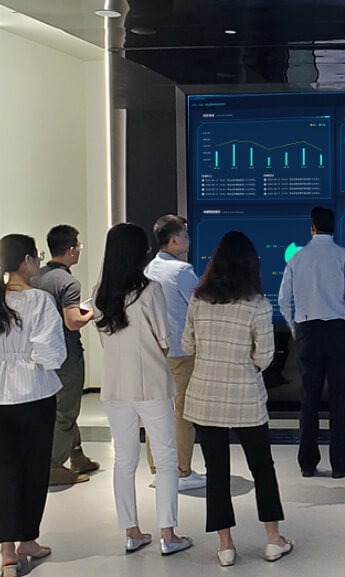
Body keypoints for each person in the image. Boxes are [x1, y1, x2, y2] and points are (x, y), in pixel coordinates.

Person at [183, 231, 292, 567]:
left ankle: (226, 545)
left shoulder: (199, 301)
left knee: (216, 472)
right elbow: (265, 357)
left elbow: (187, 345)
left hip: (205, 398)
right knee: (262, 468)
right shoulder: (258, 305)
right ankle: (273, 539)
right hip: (245, 398)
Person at [93, 223, 192, 556]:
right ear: (139, 252)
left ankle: (131, 532)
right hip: (151, 384)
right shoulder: (150, 290)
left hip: (114, 385)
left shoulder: (99, 292)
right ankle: (168, 534)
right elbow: (165, 341)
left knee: (124, 461)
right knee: (165, 459)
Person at [0, 235, 66, 577]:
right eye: (37, 256)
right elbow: (50, 354)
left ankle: (7, 553)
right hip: (34, 394)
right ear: (27, 260)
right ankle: (28, 540)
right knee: (34, 470)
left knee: (5, 471)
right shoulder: (39, 300)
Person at [278, 206, 345, 479]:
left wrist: (294, 327)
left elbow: (283, 299)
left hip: (307, 332)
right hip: (339, 332)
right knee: (341, 399)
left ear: (311, 227)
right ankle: (340, 464)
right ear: (334, 228)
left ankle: (307, 463)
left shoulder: (297, 258)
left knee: (309, 399)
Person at [30, 225, 99, 486]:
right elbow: (72, 321)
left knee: (59, 406)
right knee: (67, 410)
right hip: (67, 352)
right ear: (71, 249)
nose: (79, 249)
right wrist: (92, 312)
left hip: (42, 351)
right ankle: (54, 466)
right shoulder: (68, 282)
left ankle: (77, 455)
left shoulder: (37, 276)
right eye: (78, 245)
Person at [143, 215, 206, 492]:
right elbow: (198, 307)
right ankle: (181, 471)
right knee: (182, 413)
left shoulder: (148, 270)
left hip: (152, 351)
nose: (188, 240)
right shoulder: (182, 271)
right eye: (185, 235)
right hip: (180, 351)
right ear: (174, 240)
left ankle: (158, 469)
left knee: (156, 412)